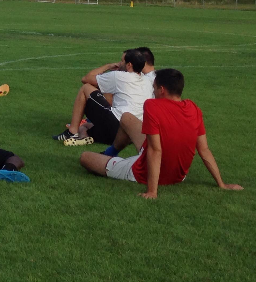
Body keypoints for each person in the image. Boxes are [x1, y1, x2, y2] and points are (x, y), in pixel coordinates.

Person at [79, 69, 243, 199]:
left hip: (142, 172)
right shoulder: (193, 108)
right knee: (127, 118)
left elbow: (155, 150)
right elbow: (204, 149)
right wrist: (221, 184)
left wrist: (152, 191)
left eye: (154, 88)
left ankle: (112, 159)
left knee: (85, 157)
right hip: (178, 176)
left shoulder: (152, 106)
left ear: (162, 90)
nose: (153, 92)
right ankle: (111, 152)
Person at [52, 49, 152, 148]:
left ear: (129, 65)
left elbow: (86, 79)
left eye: (122, 61)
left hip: (116, 126)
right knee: (85, 126)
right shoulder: (147, 80)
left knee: (86, 88)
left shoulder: (120, 76)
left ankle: (72, 132)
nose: (119, 63)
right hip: (131, 134)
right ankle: (84, 136)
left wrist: (108, 66)